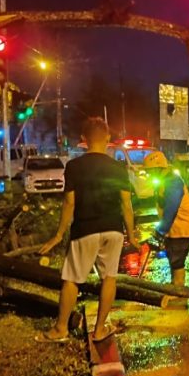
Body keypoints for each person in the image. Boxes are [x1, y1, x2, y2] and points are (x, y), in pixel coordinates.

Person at [35, 117, 137, 343]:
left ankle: (61, 329)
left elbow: (69, 203)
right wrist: (131, 235)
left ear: (83, 139)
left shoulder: (74, 166)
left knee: (72, 279)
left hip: (86, 228)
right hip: (113, 229)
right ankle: (100, 329)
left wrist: (59, 234)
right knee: (109, 279)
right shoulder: (118, 167)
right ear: (108, 138)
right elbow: (126, 204)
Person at [143, 151, 189, 291]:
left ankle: (179, 292)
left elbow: (171, 209)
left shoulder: (173, 182)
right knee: (173, 260)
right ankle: (175, 287)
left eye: (151, 171)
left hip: (181, 229)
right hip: (174, 230)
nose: (149, 174)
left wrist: (160, 231)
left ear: (159, 168)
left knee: (177, 262)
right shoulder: (165, 181)